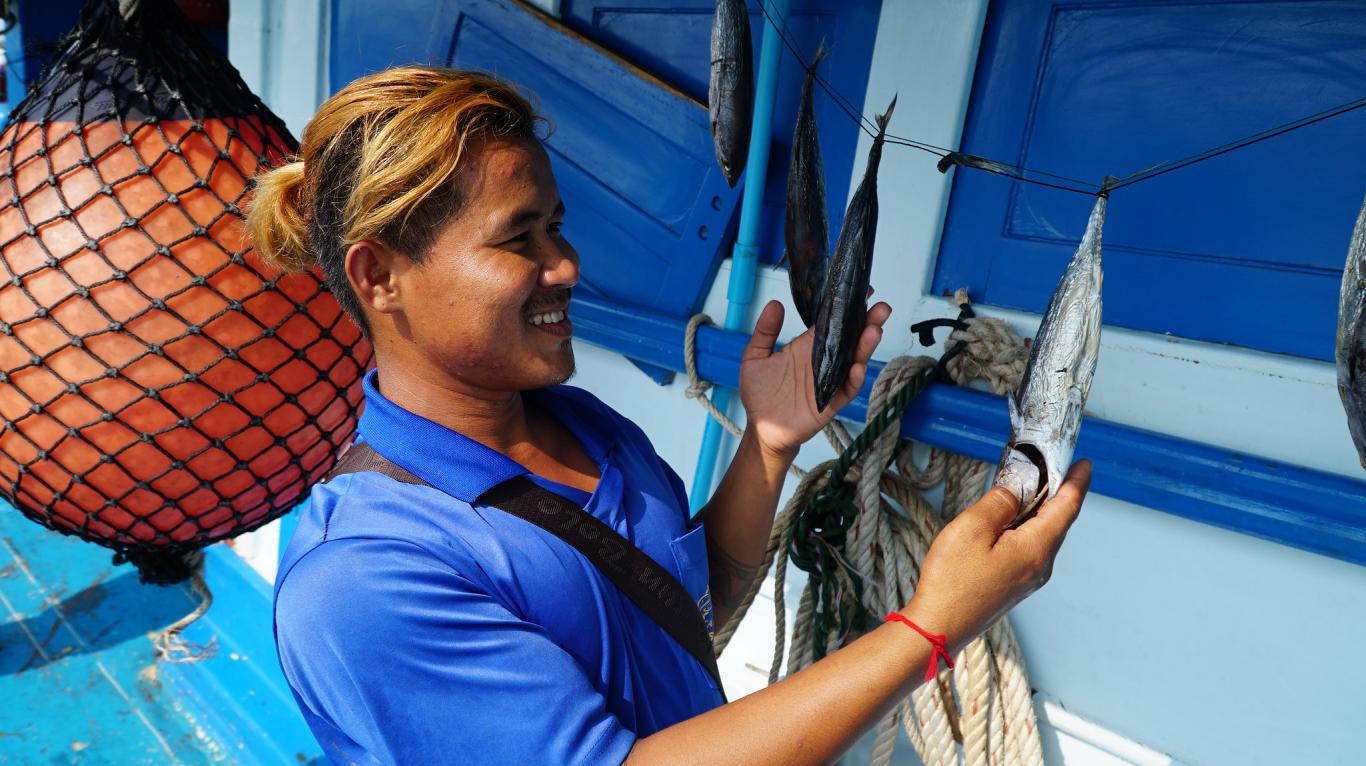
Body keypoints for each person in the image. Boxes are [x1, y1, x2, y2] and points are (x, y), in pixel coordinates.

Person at [250, 66, 1091, 766]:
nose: (566, 265)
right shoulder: (361, 574)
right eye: (518, 240)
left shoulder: (584, 426)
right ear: (378, 276)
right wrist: (931, 628)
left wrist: (766, 444)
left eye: (558, 227)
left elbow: (689, 612)